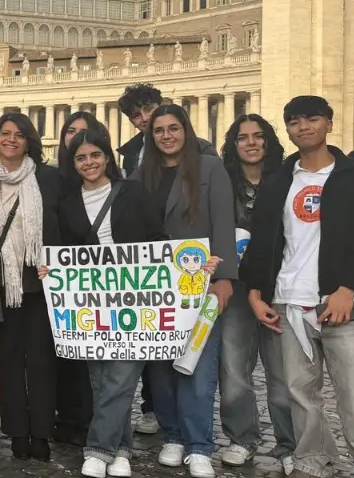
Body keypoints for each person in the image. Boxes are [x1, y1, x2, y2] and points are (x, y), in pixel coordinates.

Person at [242, 96, 354, 478]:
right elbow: (264, 240)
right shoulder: (278, 181)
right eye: (295, 121)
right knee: (300, 393)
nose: (303, 127)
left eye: (312, 119)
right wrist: (256, 292)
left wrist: (348, 288)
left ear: (329, 123)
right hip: (289, 299)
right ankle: (314, 461)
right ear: (288, 130)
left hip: (340, 300)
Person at [49, 129, 171, 478]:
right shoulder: (67, 203)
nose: (89, 162)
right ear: (73, 164)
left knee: (120, 376)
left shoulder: (133, 192)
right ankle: (121, 449)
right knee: (101, 380)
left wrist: (188, 264)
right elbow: (65, 252)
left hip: (134, 299)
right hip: (91, 302)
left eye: (95, 155)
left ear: (107, 158)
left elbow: (158, 240)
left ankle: (98, 448)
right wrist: (51, 269)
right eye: (81, 158)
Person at [134, 104, 237, 478]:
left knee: (197, 364)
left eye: (173, 128)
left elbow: (223, 222)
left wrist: (224, 277)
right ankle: (173, 435)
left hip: (199, 282)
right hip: (155, 285)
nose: (167, 135)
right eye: (159, 130)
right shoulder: (140, 174)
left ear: (186, 130)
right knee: (160, 367)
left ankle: (198, 445)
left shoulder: (210, 168)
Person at [0, 113, 62, 462]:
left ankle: (41, 432)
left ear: (30, 142)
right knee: (9, 362)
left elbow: (64, 226)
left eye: (20, 134)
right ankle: (16, 433)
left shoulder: (50, 178)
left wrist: (58, 263)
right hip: (3, 284)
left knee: (42, 361)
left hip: (42, 282)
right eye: (5, 133)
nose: (11, 139)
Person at [216, 114, 295, 472]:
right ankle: (241, 438)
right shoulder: (222, 183)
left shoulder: (287, 179)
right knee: (234, 369)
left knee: (283, 372)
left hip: (278, 284)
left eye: (258, 136)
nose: (251, 142)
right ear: (233, 145)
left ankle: (289, 444)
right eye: (243, 137)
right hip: (236, 286)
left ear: (269, 141)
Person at [52, 110, 108, 445]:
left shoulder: (122, 189)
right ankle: (73, 418)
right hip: (75, 288)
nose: (76, 138)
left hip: (114, 287)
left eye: (84, 132)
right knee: (73, 358)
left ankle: (105, 431)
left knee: (107, 365)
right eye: (71, 131)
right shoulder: (58, 185)